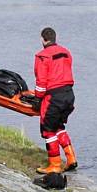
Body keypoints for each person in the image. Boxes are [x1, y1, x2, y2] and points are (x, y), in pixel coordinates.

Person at [33, 27, 78, 174]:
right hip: (69, 95)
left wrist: (37, 100)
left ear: (43, 39)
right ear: (55, 38)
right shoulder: (66, 52)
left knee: (48, 131)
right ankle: (71, 158)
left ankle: (54, 165)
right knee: (58, 126)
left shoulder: (42, 56)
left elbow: (41, 82)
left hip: (53, 97)